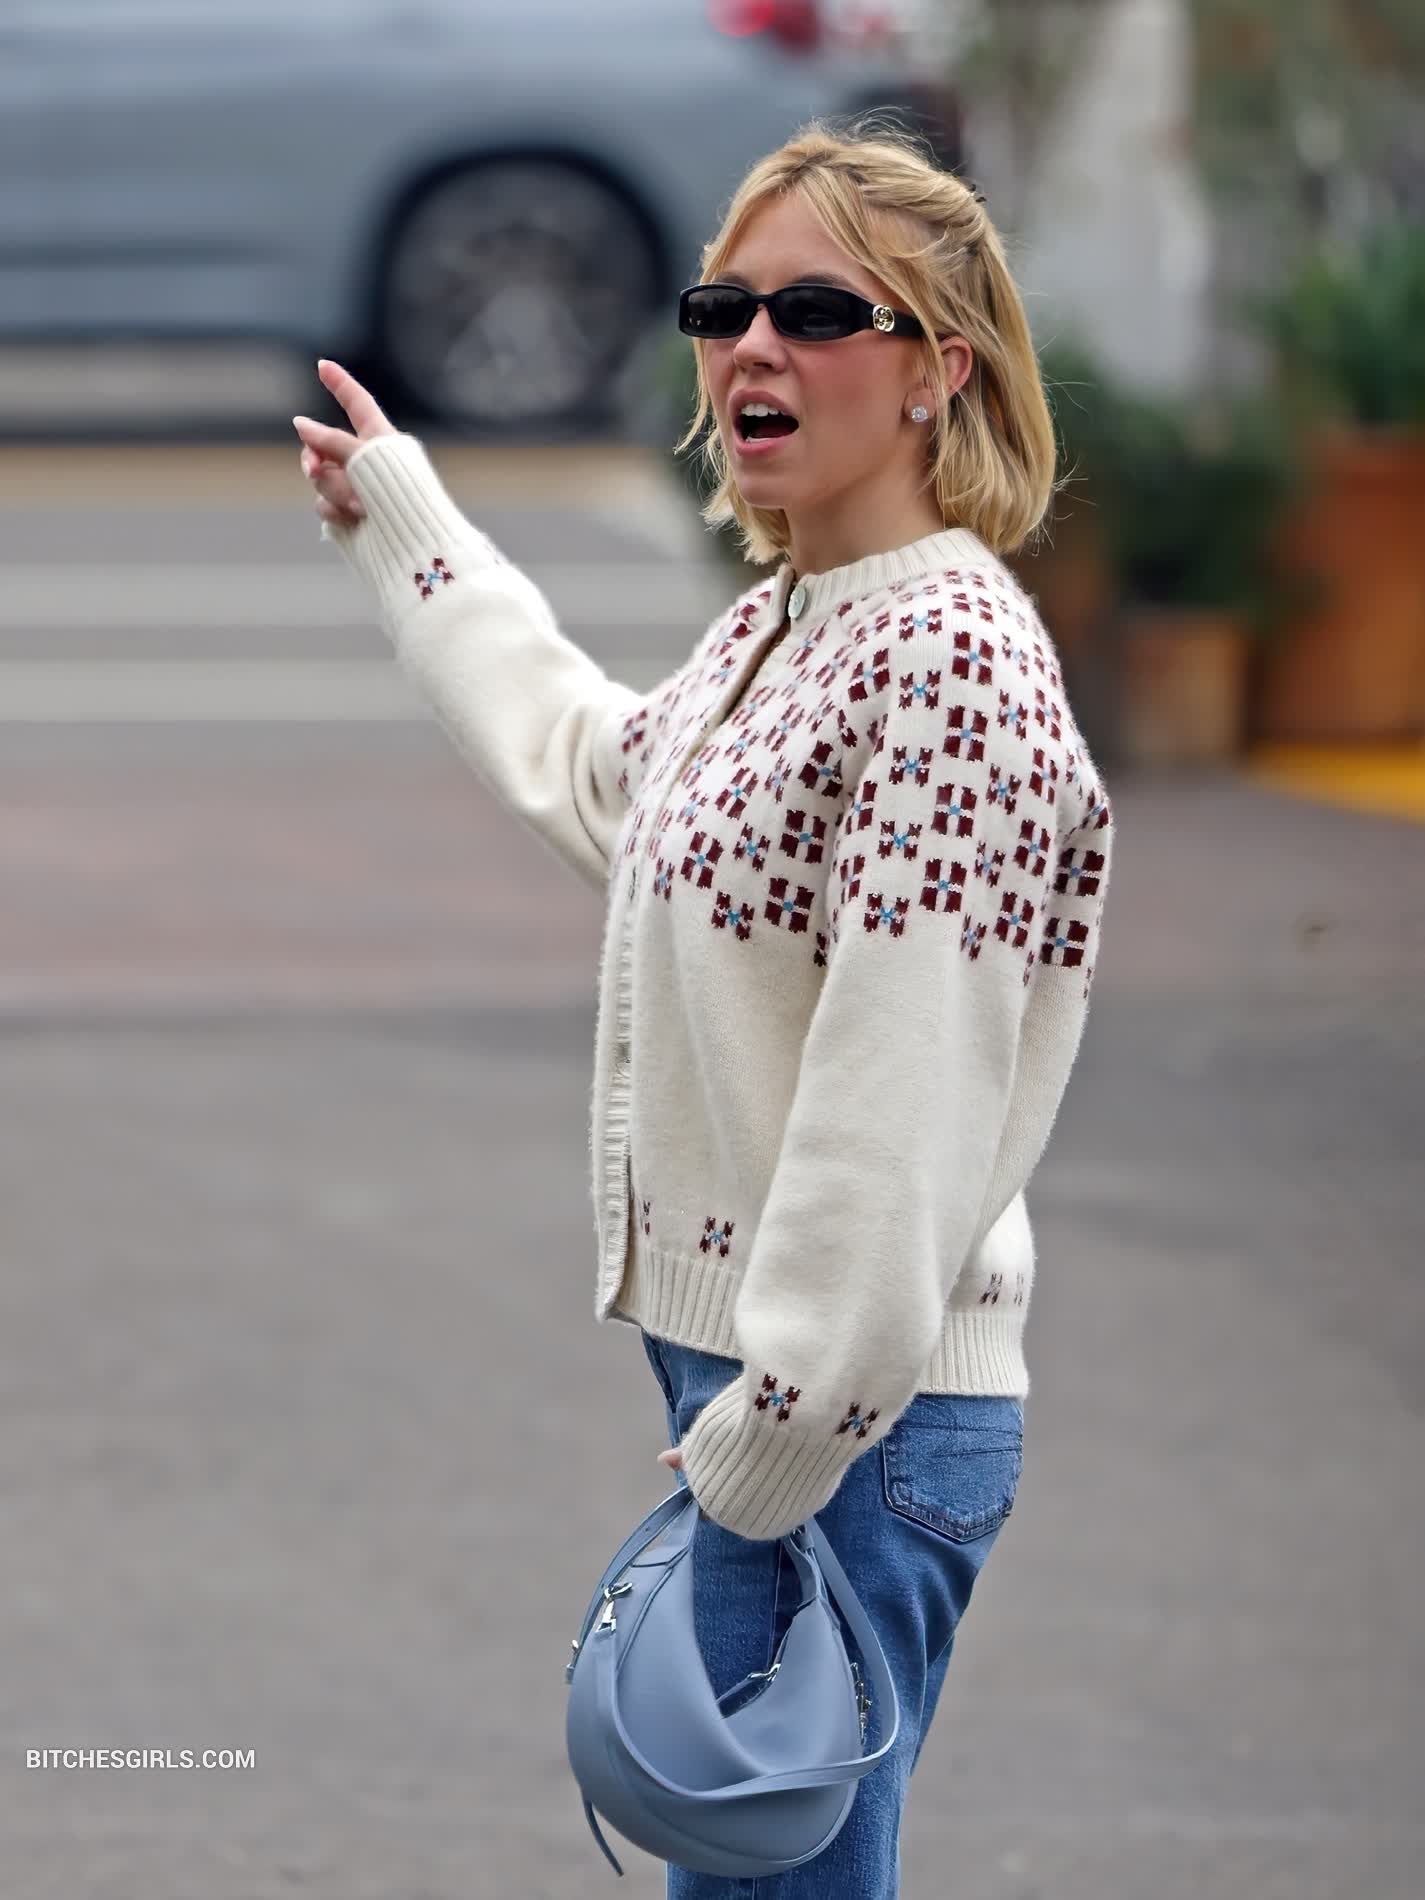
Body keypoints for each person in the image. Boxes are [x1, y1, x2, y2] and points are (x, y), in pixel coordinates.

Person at [296, 119, 1114, 1900]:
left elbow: (901, 1094)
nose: (752, 345)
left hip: (847, 1421)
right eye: (721, 307)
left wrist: (778, 1433)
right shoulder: (796, 625)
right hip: (784, 1396)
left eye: (816, 312)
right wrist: (411, 532)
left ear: (937, 370)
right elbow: (604, 776)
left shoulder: (949, 663)